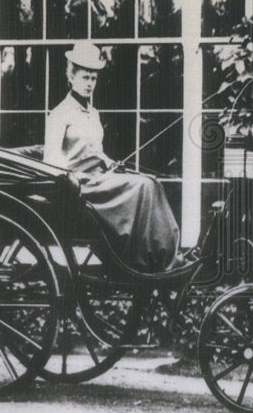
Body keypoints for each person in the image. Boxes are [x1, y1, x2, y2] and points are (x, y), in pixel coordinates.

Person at [44, 42, 179, 273]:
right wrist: (71, 178)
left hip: (100, 179)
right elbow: (51, 160)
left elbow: (95, 150)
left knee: (152, 183)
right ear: (71, 76)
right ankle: (146, 258)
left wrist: (107, 161)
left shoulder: (93, 113)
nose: (89, 84)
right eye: (85, 77)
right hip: (81, 188)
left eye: (93, 79)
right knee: (144, 186)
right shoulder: (59, 115)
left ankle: (162, 254)